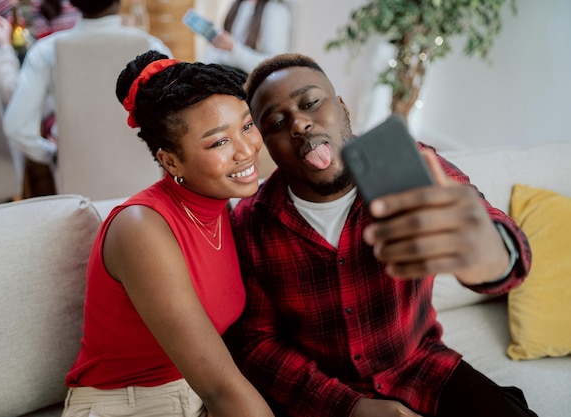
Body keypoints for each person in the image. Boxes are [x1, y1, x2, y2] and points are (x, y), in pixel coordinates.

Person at [226, 53, 538, 417]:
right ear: (267, 145)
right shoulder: (251, 223)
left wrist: (489, 253)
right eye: (277, 122)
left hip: (420, 367)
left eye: (310, 103)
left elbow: (503, 246)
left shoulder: (407, 168)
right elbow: (257, 344)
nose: (299, 124)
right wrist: (351, 408)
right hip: (320, 393)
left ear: (343, 108)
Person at [61, 50, 275, 417]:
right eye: (218, 142)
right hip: (131, 405)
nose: (246, 150)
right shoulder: (141, 228)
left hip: (194, 398)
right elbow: (220, 387)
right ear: (171, 161)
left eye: (246, 125)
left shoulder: (220, 201)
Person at [2, 0, 171, 197]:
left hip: (78, 198)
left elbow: (16, 126)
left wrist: (54, 155)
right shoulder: (153, 48)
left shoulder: (46, 51)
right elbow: (172, 121)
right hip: (146, 195)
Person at [201, 0, 292, 77]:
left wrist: (234, 48)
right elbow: (217, 55)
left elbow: (275, 64)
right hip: (224, 73)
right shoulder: (239, 5)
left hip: (248, 81)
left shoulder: (276, 10)